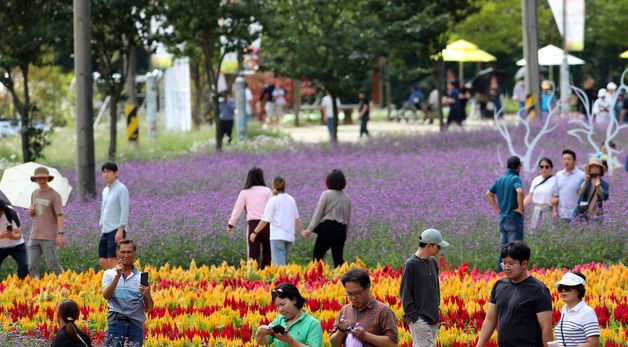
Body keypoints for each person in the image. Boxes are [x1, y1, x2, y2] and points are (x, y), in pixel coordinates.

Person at [475, 241, 553, 347]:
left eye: (511, 263)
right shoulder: (499, 285)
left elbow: (546, 328)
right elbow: (490, 320)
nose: (506, 267)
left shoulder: (538, 289)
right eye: (504, 263)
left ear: (524, 264)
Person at [400, 228, 450, 347]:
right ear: (429, 245)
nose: (440, 249)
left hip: (432, 318)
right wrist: (415, 319)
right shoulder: (411, 264)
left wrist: (436, 307)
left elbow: (435, 288)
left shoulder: (432, 262)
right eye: (438, 246)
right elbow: (405, 294)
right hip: (419, 319)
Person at [102, 239, 154, 346]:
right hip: (116, 321)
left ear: (134, 254)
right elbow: (106, 295)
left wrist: (147, 295)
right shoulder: (109, 274)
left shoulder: (141, 277)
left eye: (129, 252)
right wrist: (117, 276)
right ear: (117, 254)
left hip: (135, 324)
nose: (126, 255)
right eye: (123, 252)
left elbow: (149, 308)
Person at [330, 269, 398, 347]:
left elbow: (393, 344)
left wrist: (365, 335)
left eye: (357, 293)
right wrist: (340, 331)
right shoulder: (344, 311)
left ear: (368, 287)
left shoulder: (383, 311)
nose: (353, 298)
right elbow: (334, 343)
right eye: (349, 294)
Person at [250, 177, 307, 266]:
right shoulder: (291, 199)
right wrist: (302, 231)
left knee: (280, 267)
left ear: (273, 186)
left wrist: (255, 232)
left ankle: (285, 280)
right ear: (285, 186)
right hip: (289, 237)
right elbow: (297, 218)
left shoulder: (273, 200)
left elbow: (265, 220)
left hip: (277, 236)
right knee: (281, 262)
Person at [305, 169, 351, 268]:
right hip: (341, 230)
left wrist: (310, 229)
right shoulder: (347, 197)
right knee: (338, 259)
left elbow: (318, 213)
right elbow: (347, 219)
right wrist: (345, 233)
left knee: (317, 257)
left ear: (329, 181)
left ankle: (317, 280)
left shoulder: (326, 194)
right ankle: (341, 280)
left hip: (328, 228)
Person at [227, 167, 273, 269]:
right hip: (267, 225)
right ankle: (267, 273)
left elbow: (237, 209)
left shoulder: (245, 192)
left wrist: (231, 224)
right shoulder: (268, 191)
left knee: (253, 254)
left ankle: (253, 277)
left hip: (253, 225)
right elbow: (273, 208)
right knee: (268, 252)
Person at [485, 156, 524, 272]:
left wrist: (498, 209)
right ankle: (514, 274)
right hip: (513, 217)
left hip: (503, 218)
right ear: (518, 167)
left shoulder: (500, 180)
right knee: (515, 250)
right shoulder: (515, 178)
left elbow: (488, 194)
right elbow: (520, 191)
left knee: (504, 250)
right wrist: (520, 209)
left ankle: (500, 274)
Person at [255, 283, 323, 347]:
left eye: (282, 304)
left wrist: (290, 341)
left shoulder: (313, 324)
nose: (280, 309)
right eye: (277, 306)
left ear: (294, 300)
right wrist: (259, 333)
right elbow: (264, 341)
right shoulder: (279, 320)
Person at [28, 166, 64, 278]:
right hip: (34, 235)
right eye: (39, 178)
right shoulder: (34, 194)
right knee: (31, 265)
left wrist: (60, 234)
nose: (42, 180)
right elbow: (34, 214)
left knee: (52, 265)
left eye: (44, 178)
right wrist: (31, 211)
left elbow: (60, 215)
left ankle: (66, 282)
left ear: (48, 179)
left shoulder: (54, 195)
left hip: (48, 236)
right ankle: (36, 288)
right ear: (36, 180)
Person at [553, 272, 600, 347]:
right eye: (560, 288)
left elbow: (593, 344)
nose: (563, 291)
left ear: (578, 290)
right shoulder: (564, 310)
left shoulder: (587, 312)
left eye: (567, 288)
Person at [99, 162, 129, 269]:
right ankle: (114, 278)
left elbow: (124, 210)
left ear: (115, 173)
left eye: (108, 172)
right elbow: (104, 208)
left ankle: (117, 282)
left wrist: (121, 229)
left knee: (113, 258)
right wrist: (101, 224)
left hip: (116, 229)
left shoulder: (121, 189)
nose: (105, 174)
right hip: (105, 230)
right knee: (102, 259)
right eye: (103, 172)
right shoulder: (105, 190)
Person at [551, 149, 585, 223]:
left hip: (577, 215)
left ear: (575, 161)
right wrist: (554, 211)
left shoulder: (582, 175)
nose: (566, 161)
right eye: (564, 159)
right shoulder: (558, 175)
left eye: (569, 159)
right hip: (561, 214)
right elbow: (555, 195)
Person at [523, 158, 556, 230]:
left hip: (548, 210)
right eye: (542, 166)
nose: (544, 169)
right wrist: (520, 208)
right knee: (533, 232)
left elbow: (555, 198)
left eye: (547, 167)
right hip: (536, 210)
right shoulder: (536, 180)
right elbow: (530, 196)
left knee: (548, 233)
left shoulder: (555, 180)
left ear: (551, 168)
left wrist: (554, 211)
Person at [573, 158, 609, 222]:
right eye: (592, 167)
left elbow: (604, 197)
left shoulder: (604, 184)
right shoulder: (584, 179)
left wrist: (598, 186)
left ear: (600, 169)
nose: (594, 168)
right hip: (582, 211)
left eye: (597, 167)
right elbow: (579, 192)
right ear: (590, 169)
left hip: (596, 214)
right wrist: (585, 181)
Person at [0, 199, 28, 279]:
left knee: (23, 265)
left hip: (16, 245)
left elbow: (19, 234)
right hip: (1, 246)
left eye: (0, 214)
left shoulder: (11, 212)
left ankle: (23, 283)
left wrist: (11, 236)